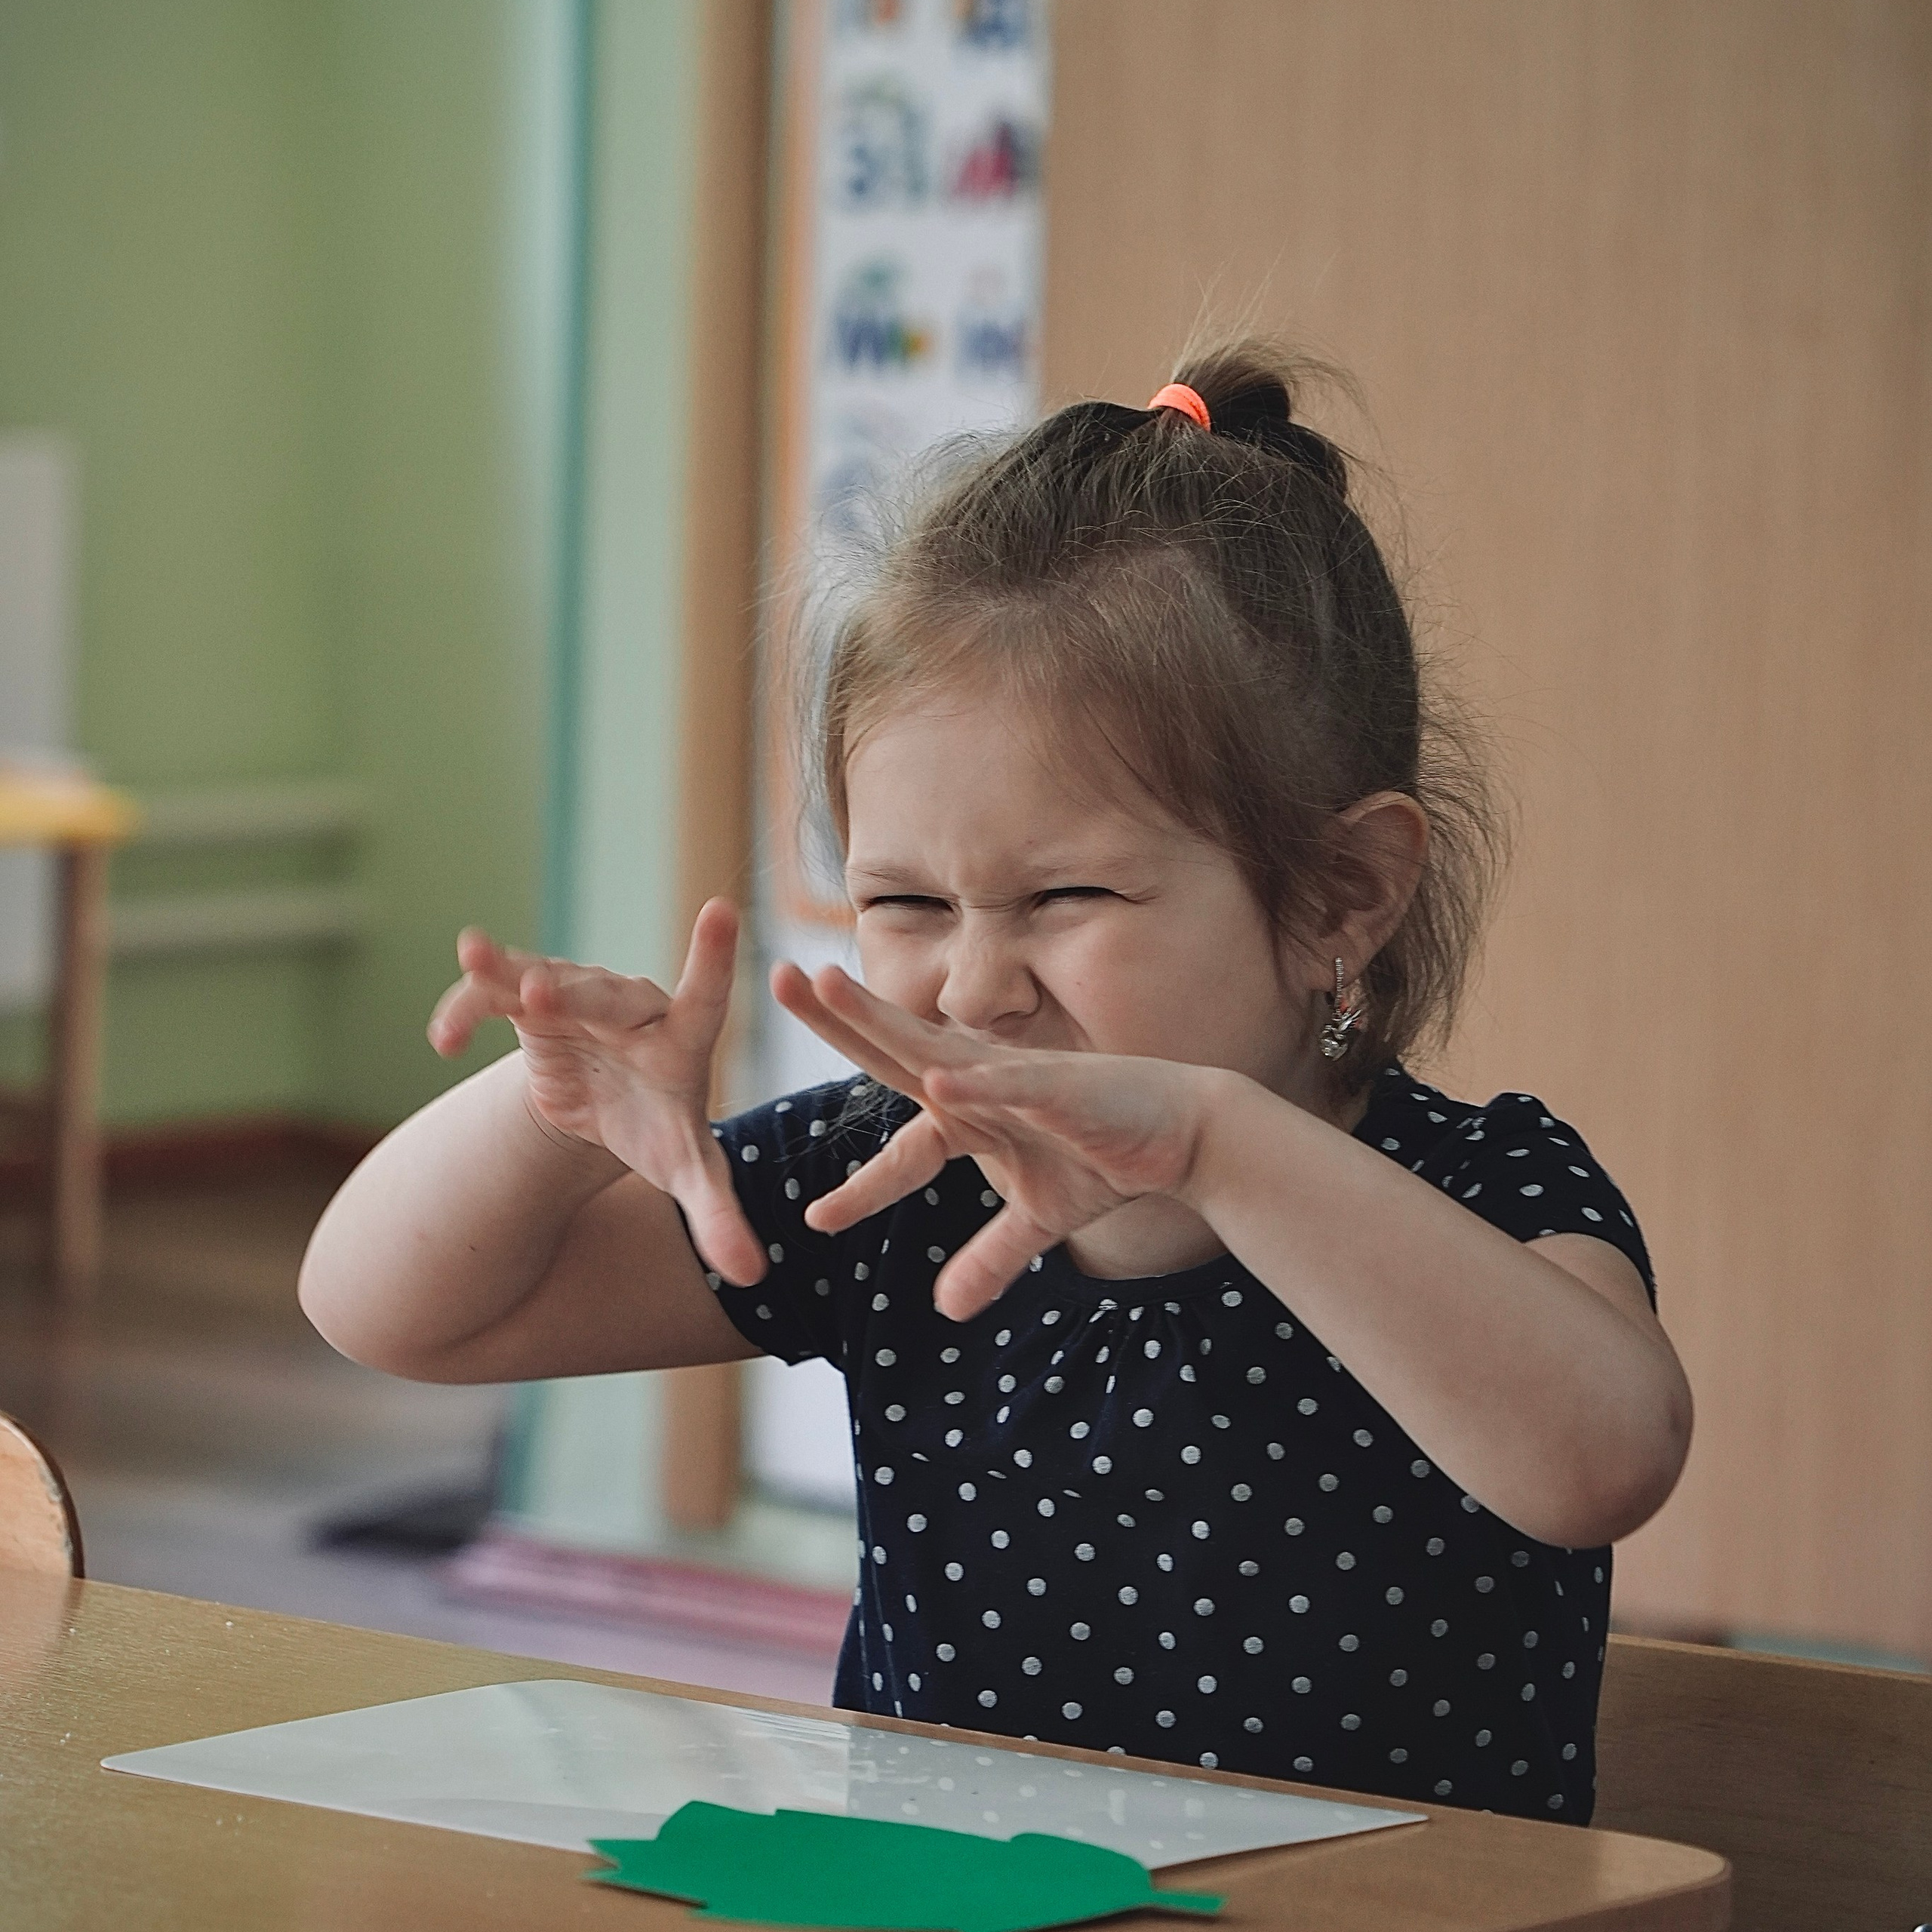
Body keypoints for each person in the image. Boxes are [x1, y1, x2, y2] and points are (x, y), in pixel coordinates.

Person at [299, 341, 1692, 1823]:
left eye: (1063, 896)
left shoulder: (1481, 1186)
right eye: (903, 904)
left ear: (1340, 893)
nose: (973, 986)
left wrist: (1216, 1146)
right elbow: (391, 1311)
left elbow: (1599, 1458)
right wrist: (547, 1109)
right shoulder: (891, 1175)